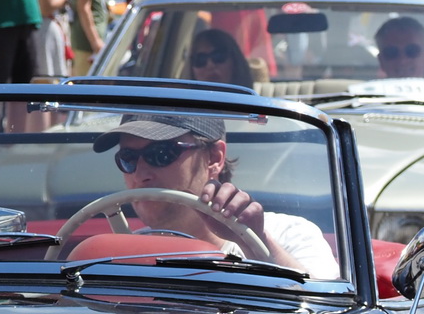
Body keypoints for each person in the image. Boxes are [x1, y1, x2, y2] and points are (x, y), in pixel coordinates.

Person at [92, 114, 338, 277]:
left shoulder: (291, 235)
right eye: (128, 159)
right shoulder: (122, 255)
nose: (141, 174)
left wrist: (254, 240)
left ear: (214, 158)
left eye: (161, 154)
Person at [187, 27, 252, 88]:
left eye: (218, 56)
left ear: (235, 61)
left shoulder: (252, 99)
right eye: (200, 59)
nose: (210, 65)